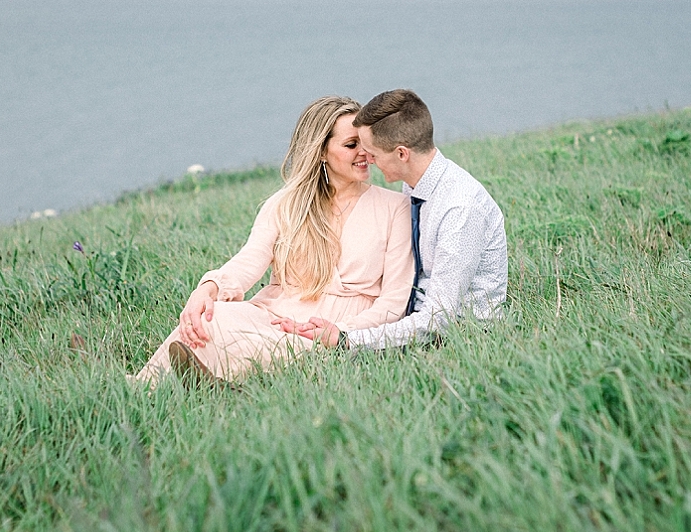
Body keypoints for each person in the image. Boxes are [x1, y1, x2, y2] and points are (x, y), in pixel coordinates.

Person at [133, 95, 414, 384]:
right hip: (275, 313)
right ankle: (143, 387)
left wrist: (342, 332)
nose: (365, 153)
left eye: (365, 143)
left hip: (336, 328)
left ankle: (207, 378)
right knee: (211, 318)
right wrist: (209, 288)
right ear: (320, 151)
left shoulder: (395, 208)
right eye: (351, 145)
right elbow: (249, 259)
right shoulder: (285, 204)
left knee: (275, 347)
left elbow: (394, 299)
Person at [283, 89, 507, 350]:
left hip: (457, 337)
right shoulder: (416, 184)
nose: (367, 160)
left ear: (402, 154)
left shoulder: (459, 209)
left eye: (373, 153)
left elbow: (438, 319)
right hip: (409, 321)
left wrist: (346, 340)